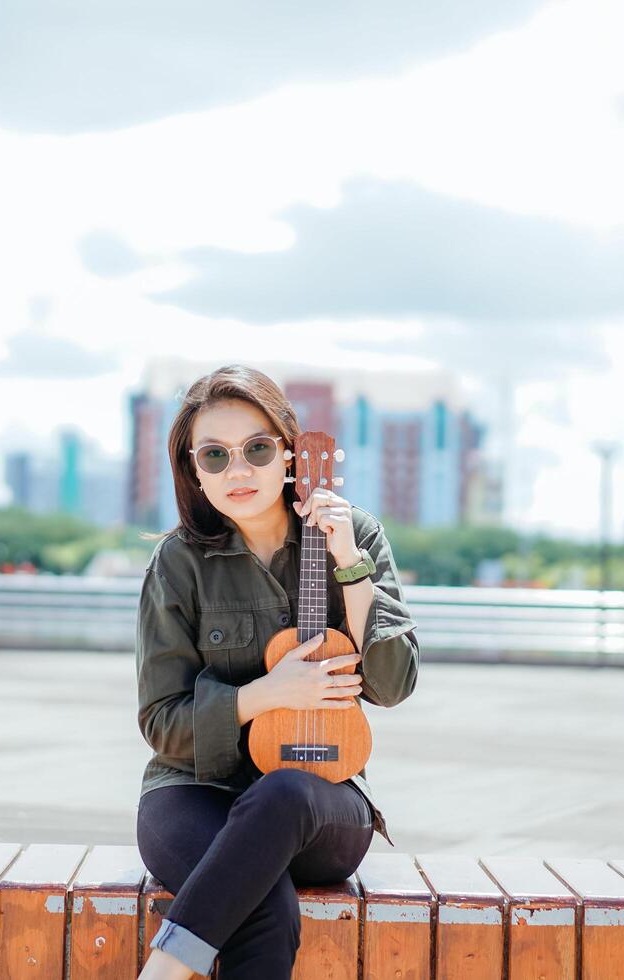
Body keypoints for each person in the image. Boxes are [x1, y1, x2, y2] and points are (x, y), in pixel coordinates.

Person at [134, 364, 419, 979]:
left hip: (319, 800)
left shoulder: (355, 535)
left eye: (256, 449)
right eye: (215, 456)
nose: (238, 471)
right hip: (194, 793)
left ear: (290, 454)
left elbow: (391, 686)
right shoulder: (178, 563)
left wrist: (352, 567)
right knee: (263, 906)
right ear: (193, 469)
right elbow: (162, 724)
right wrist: (264, 695)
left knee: (282, 792)